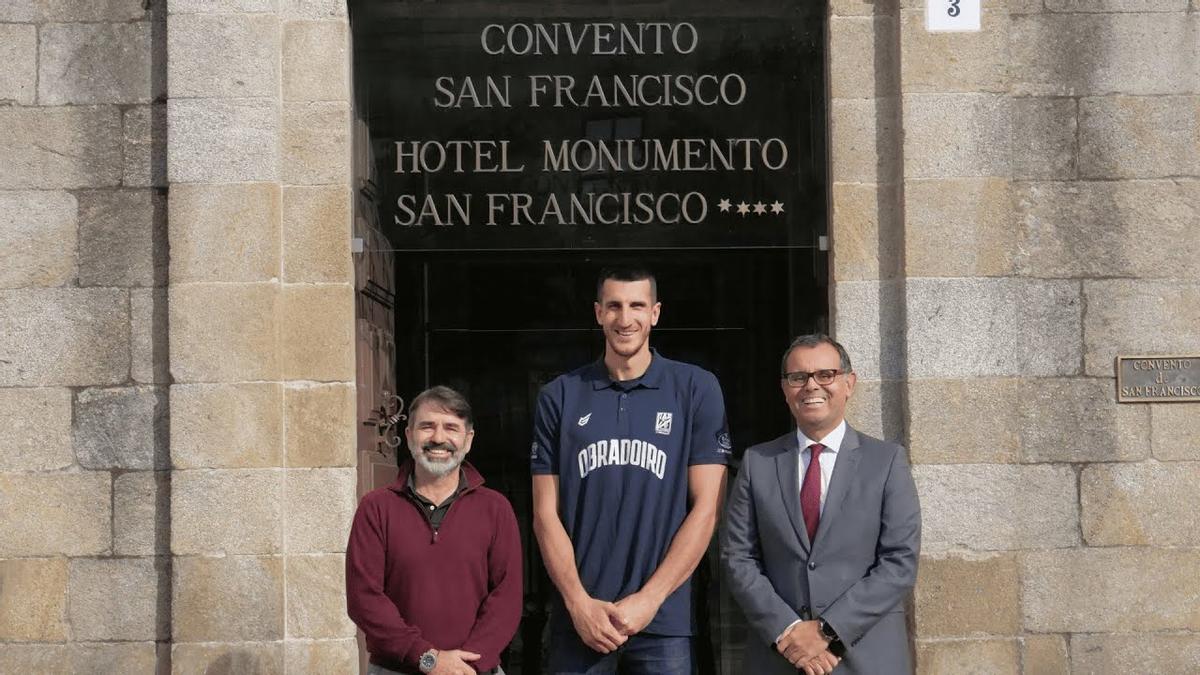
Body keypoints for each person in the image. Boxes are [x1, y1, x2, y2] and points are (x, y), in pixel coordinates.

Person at [530, 267, 731, 674]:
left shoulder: (695, 388)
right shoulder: (560, 395)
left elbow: (707, 508)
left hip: (663, 623)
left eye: (637, 305)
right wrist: (577, 603)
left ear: (655, 313)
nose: (626, 319)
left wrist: (650, 599)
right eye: (615, 306)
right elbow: (544, 513)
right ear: (598, 313)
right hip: (582, 621)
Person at [720, 334, 921, 675]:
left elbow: (900, 562)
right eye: (798, 377)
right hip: (780, 657)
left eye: (825, 375)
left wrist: (827, 631)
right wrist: (789, 632)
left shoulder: (886, 462)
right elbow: (738, 557)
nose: (811, 386)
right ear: (785, 389)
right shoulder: (758, 462)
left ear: (848, 383)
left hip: (864, 658)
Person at [347, 386, 521, 675]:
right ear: (408, 436)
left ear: (468, 440)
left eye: (451, 427)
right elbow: (364, 598)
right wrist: (428, 659)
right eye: (427, 426)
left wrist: (466, 667)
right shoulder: (375, 508)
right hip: (396, 670)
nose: (439, 438)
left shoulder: (495, 509)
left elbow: (507, 597)